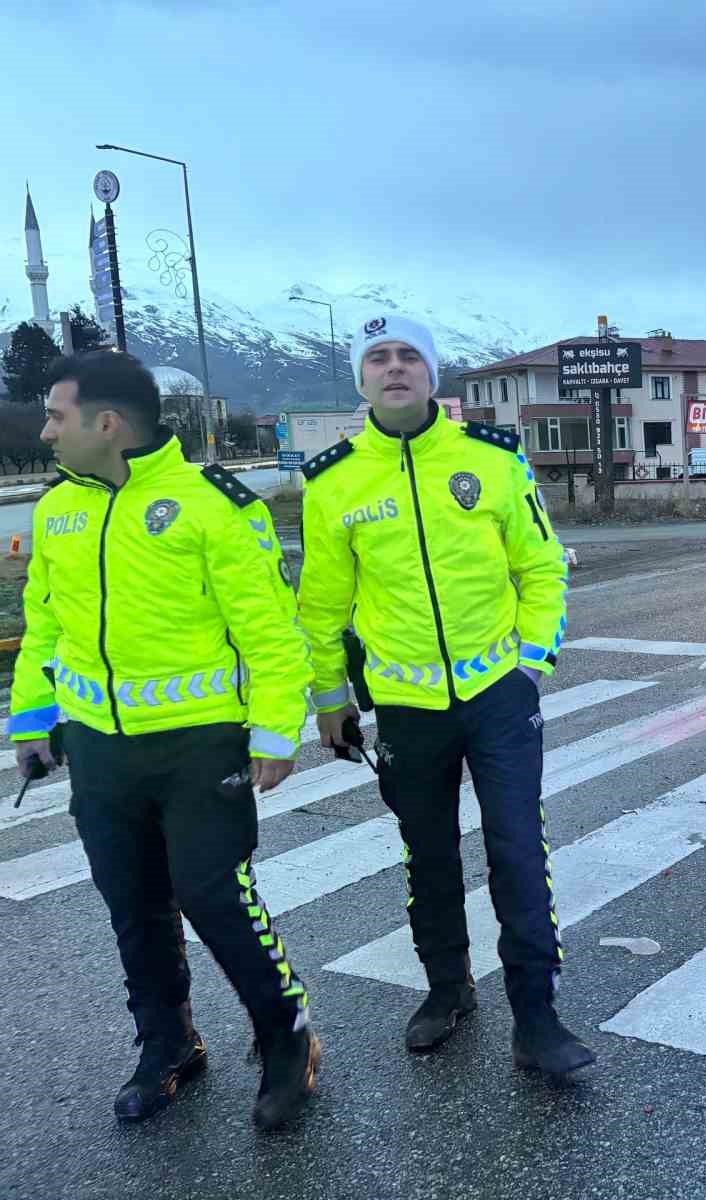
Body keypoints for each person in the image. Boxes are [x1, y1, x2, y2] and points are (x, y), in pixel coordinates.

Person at [9, 352, 320, 1129]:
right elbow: (45, 627)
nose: (46, 430)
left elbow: (271, 631)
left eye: (57, 415)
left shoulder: (214, 504)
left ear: (105, 424)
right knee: (133, 904)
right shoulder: (58, 511)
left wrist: (278, 729)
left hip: (197, 749)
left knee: (216, 897)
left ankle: (286, 1039)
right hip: (101, 752)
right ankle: (168, 1044)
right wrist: (31, 722)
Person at [297, 314, 593, 1081]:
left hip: (497, 696)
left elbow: (542, 568)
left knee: (516, 850)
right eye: (378, 359)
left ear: (432, 375)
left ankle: (538, 1017)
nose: (394, 369)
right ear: (361, 380)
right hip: (403, 705)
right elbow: (322, 606)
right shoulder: (332, 481)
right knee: (426, 853)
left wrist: (532, 663)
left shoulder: (491, 460)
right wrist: (330, 698)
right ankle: (447, 989)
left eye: (408, 357)